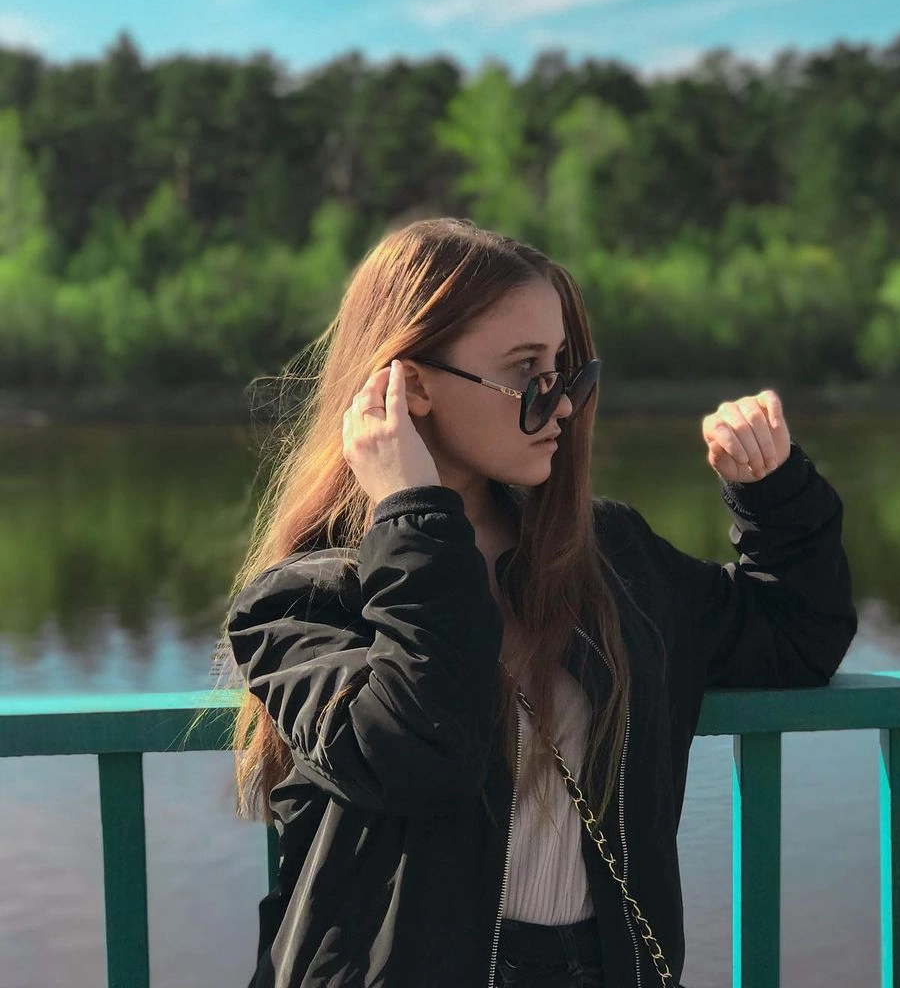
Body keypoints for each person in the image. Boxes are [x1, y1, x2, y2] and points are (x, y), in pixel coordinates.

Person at [219, 217, 857, 988]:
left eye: (565, 370)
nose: (560, 406)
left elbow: (794, 637)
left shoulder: (605, 557)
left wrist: (773, 491)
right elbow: (422, 753)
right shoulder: (303, 600)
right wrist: (413, 515)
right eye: (527, 371)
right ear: (410, 384)